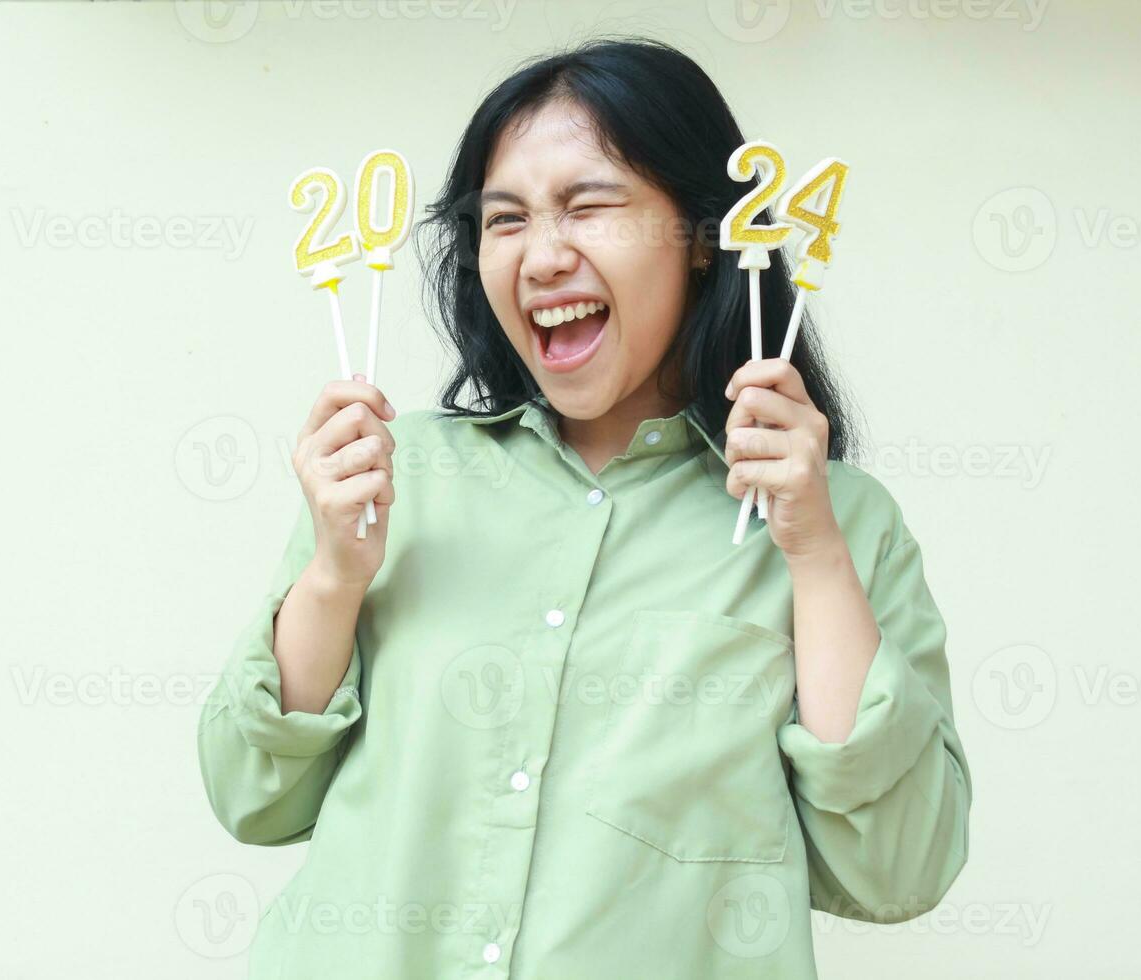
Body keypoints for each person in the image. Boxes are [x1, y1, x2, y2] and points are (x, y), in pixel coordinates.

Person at [198, 36, 972, 979]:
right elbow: (251, 796)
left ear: (700, 234)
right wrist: (332, 576)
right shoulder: (395, 480)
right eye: (505, 220)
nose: (542, 256)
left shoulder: (839, 527)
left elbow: (900, 866)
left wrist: (811, 558)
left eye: (588, 206)